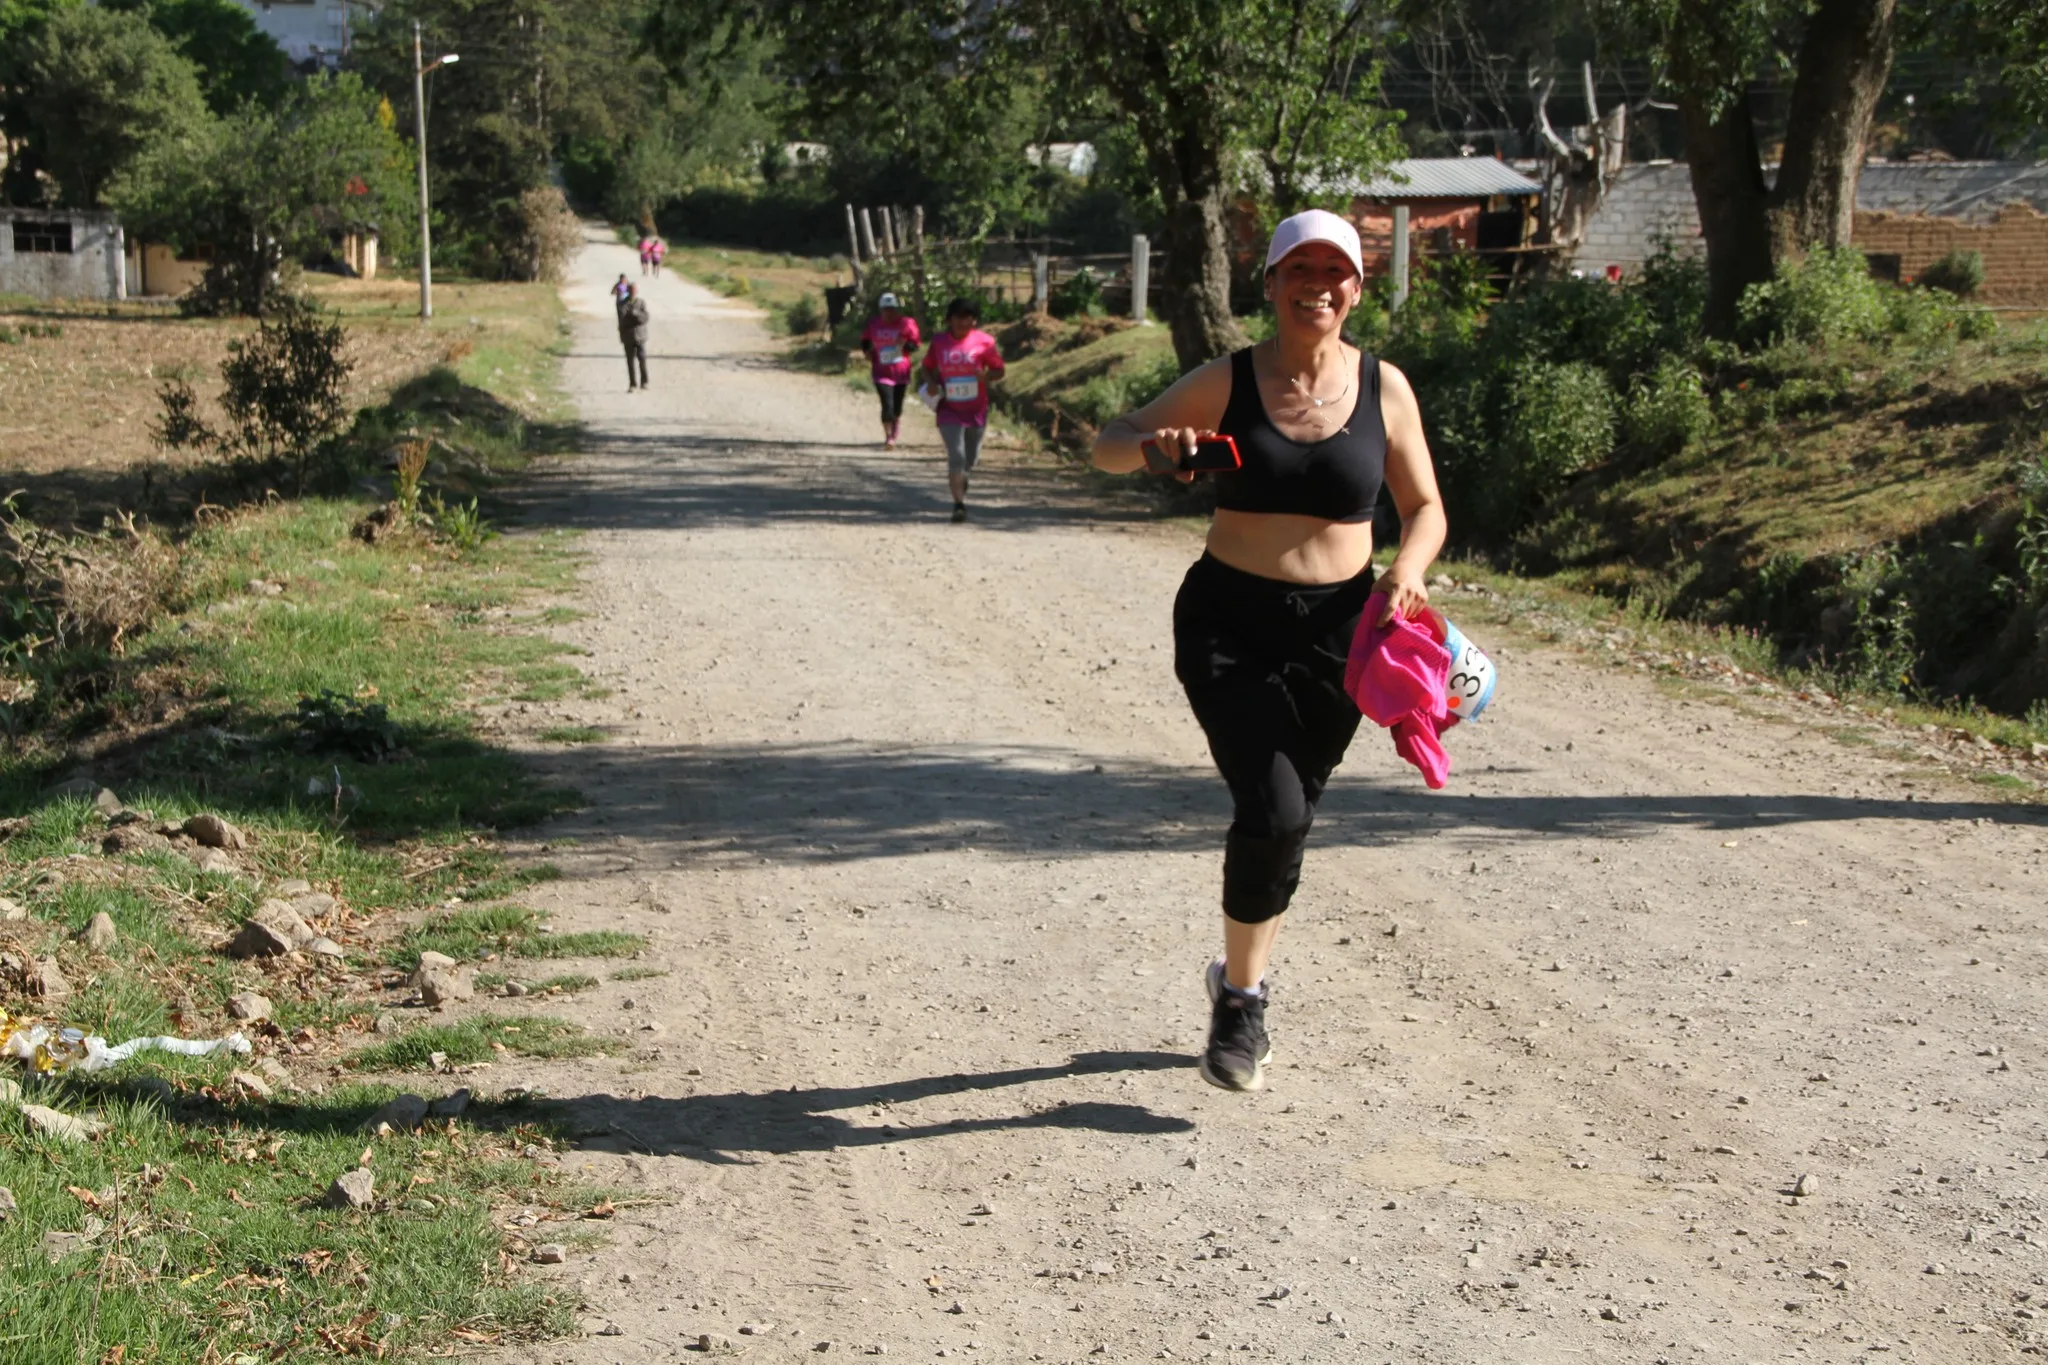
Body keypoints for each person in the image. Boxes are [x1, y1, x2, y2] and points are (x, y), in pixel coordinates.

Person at [1089, 209, 1447, 1092]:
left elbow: (1427, 507)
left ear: (1358, 289)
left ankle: (1237, 981)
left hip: (1341, 636)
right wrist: (1155, 453)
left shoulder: (1385, 389)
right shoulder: (1231, 380)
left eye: (1336, 272)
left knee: (1293, 816)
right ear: (1274, 281)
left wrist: (1408, 567)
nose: (1317, 286)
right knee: (1274, 809)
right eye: (1300, 269)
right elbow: (1106, 442)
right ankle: (1243, 1003)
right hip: (1229, 623)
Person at [919, 297, 1005, 522]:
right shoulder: (939, 342)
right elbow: (926, 366)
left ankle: (962, 478)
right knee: (956, 456)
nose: (963, 322)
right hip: (949, 408)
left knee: (971, 458)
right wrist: (930, 382)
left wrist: (985, 376)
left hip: (976, 408)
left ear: (974, 320)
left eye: (969, 318)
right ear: (950, 319)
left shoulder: (985, 342)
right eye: (959, 317)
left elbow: (999, 370)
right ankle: (958, 504)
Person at [859, 292, 922, 449]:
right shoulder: (874, 324)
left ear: (897, 310)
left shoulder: (907, 323)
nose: (889, 313)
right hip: (881, 371)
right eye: (886, 310)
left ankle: (894, 431)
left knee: (897, 406)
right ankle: (888, 437)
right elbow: (865, 339)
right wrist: (867, 351)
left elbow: (915, 344)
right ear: (881, 310)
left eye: (892, 309)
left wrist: (904, 345)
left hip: (901, 371)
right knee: (887, 404)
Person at [618, 282, 650, 391]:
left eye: (634, 290)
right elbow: (623, 320)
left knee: (642, 359)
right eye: (631, 290)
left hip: (641, 336)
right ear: (628, 291)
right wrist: (635, 318)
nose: (633, 292)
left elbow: (645, 318)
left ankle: (644, 382)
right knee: (630, 362)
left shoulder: (641, 303)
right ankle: (632, 384)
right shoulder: (622, 304)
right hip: (628, 337)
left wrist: (635, 314)